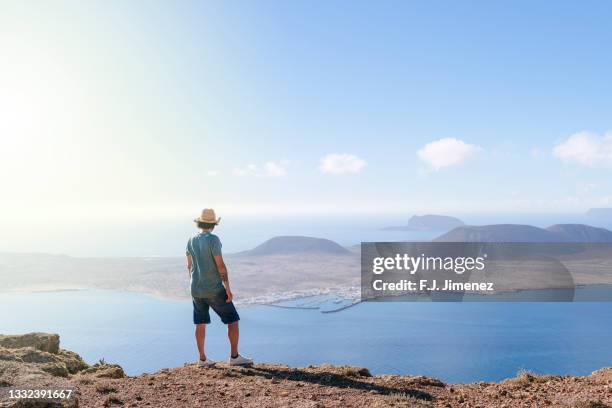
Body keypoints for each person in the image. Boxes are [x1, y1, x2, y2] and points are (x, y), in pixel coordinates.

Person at [186, 208, 253, 367]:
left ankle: (202, 360)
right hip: (213, 289)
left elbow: (189, 265)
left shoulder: (191, 240)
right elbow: (221, 266)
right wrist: (227, 288)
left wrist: (195, 282)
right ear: (213, 224)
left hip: (196, 289)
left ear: (200, 223)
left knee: (200, 323)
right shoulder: (213, 240)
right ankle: (234, 357)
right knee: (233, 320)